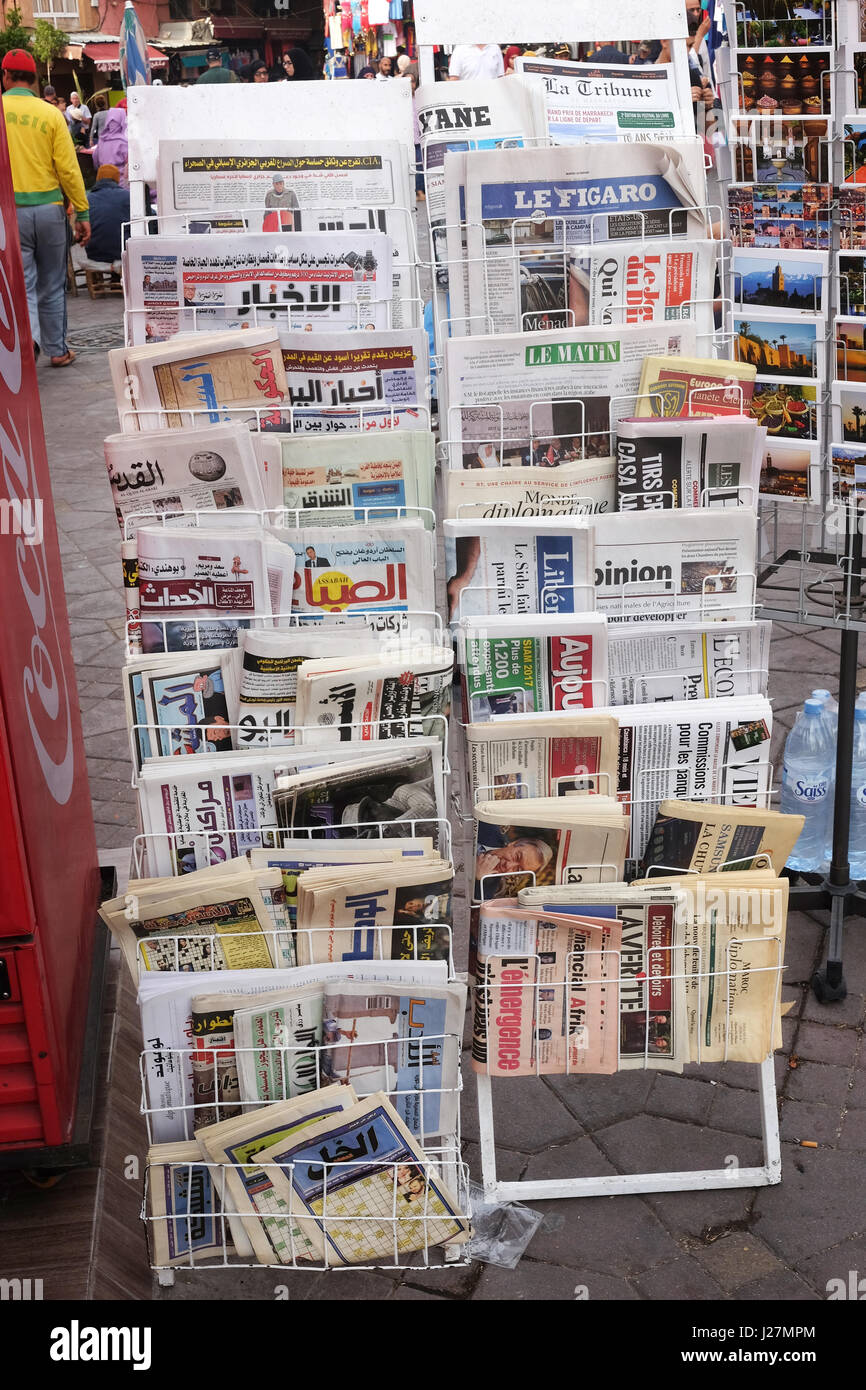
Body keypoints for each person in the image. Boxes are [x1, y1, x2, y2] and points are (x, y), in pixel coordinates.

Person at [2, 49, 89, 366]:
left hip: (10, 216)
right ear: (35, 79)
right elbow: (68, 169)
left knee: (21, 285)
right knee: (52, 285)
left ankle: (30, 346)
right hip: (50, 211)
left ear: (6, 76)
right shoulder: (51, 114)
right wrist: (82, 211)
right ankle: (57, 351)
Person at [85, 164, 129, 265]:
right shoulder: (127, 196)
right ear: (117, 179)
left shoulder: (88, 199)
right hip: (123, 253)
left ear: (98, 178)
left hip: (95, 255)